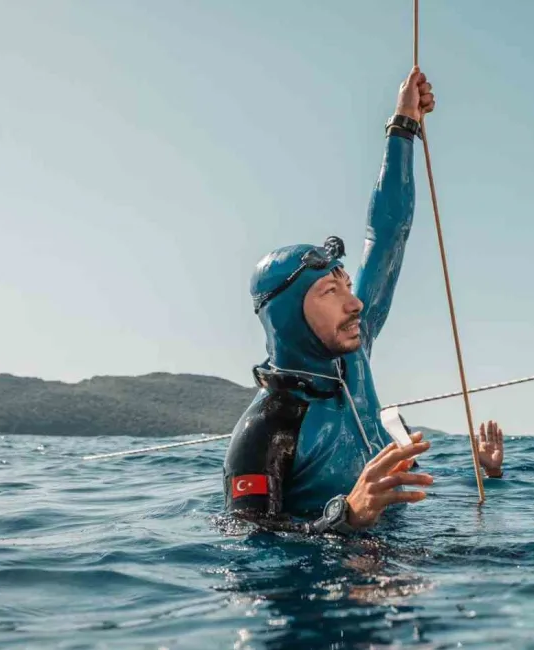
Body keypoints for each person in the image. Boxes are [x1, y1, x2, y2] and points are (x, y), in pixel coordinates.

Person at [222, 67, 437, 535]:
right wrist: (347, 516)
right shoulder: (267, 429)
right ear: (289, 317)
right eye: (330, 292)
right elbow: (247, 547)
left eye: (346, 285)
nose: (355, 304)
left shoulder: (353, 354)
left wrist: (403, 125)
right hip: (321, 589)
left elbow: (388, 236)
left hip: (395, 560)